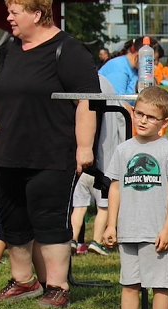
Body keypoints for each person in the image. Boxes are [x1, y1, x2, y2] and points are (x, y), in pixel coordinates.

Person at [0, 0, 99, 309]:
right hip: (11, 151)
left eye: (15, 12)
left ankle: (57, 287)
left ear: (37, 14)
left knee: (50, 219)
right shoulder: (9, 49)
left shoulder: (67, 50)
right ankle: (24, 281)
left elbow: (87, 100)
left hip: (53, 152)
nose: (8, 17)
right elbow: (6, 88)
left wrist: (84, 147)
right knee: (13, 219)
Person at [103, 87, 168, 309]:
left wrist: (167, 228)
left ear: (164, 123)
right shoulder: (123, 149)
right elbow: (115, 188)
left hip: (156, 232)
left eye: (150, 117)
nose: (142, 120)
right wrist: (111, 224)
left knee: (160, 284)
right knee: (129, 284)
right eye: (139, 113)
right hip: (128, 230)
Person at [70, 74, 125, 258]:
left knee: (79, 207)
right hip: (100, 167)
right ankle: (96, 241)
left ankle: (72, 239)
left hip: (82, 170)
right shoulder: (106, 86)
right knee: (104, 207)